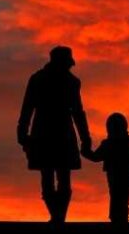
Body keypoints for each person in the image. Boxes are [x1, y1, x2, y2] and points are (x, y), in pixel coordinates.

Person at [16, 45, 91, 223]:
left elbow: (78, 112)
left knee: (56, 176)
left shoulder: (67, 81)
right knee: (51, 176)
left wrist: (85, 138)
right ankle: (57, 217)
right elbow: (28, 107)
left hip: (53, 131)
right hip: (50, 131)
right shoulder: (43, 80)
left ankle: (58, 217)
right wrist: (22, 132)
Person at [84, 112, 129, 223]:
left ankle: (118, 217)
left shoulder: (112, 144)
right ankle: (118, 217)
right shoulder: (128, 143)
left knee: (118, 195)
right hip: (121, 172)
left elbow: (95, 157)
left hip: (118, 172)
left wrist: (86, 152)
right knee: (121, 196)